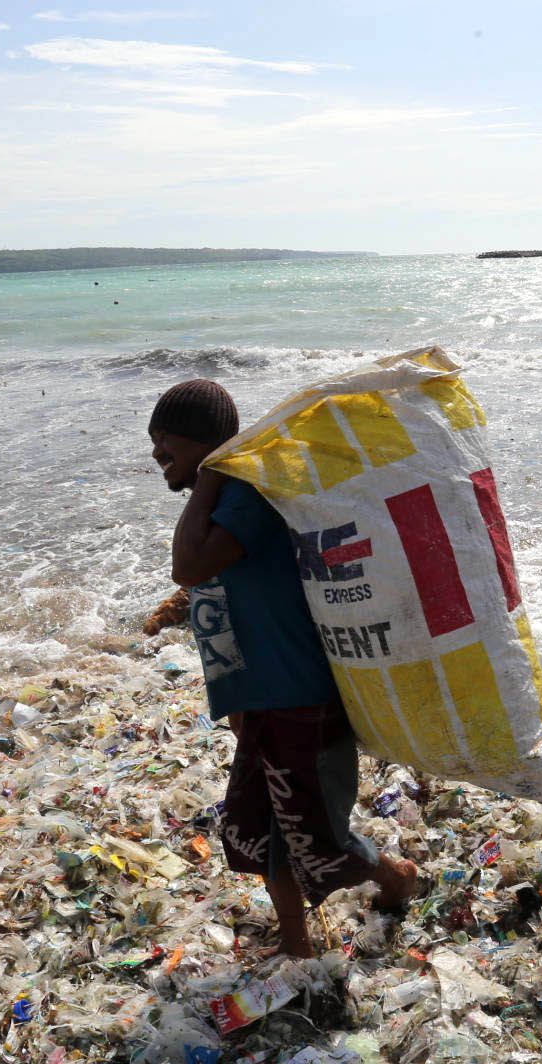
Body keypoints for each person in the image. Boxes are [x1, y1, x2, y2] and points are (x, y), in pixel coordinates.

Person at [148, 379, 421, 958]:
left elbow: (188, 567)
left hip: (300, 697)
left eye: (164, 439)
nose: (154, 453)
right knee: (266, 829)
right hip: (260, 699)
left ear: (202, 442)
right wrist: (237, 705)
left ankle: (396, 876)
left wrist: (215, 473)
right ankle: (297, 943)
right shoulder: (222, 500)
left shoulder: (245, 497)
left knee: (316, 839)